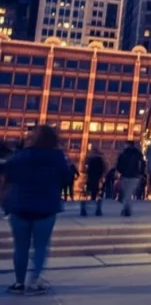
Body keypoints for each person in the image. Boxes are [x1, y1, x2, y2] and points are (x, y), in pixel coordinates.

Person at [3, 125, 66, 295]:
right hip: (45, 207)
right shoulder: (57, 157)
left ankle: (18, 283)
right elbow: (66, 178)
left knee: (20, 247)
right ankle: (34, 282)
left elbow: (7, 175)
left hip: (19, 206)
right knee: (40, 247)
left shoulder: (20, 155)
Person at [116, 142, 144, 217]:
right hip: (135, 176)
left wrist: (121, 171)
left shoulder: (123, 154)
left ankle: (126, 209)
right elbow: (142, 165)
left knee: (126, 193)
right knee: (129, 192)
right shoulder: (138, 154)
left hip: (125, 175)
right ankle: (127, 209)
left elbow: (119, 165)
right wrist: (140, 173)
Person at [80, 146, 106, 217]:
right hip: (96, 177)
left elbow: (84, 169)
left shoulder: (89, 159)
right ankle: (96, 207)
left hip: (91, 177)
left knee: (88, 191)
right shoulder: (99, 160)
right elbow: (103, 169)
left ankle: (86, 207)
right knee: (95, 192)